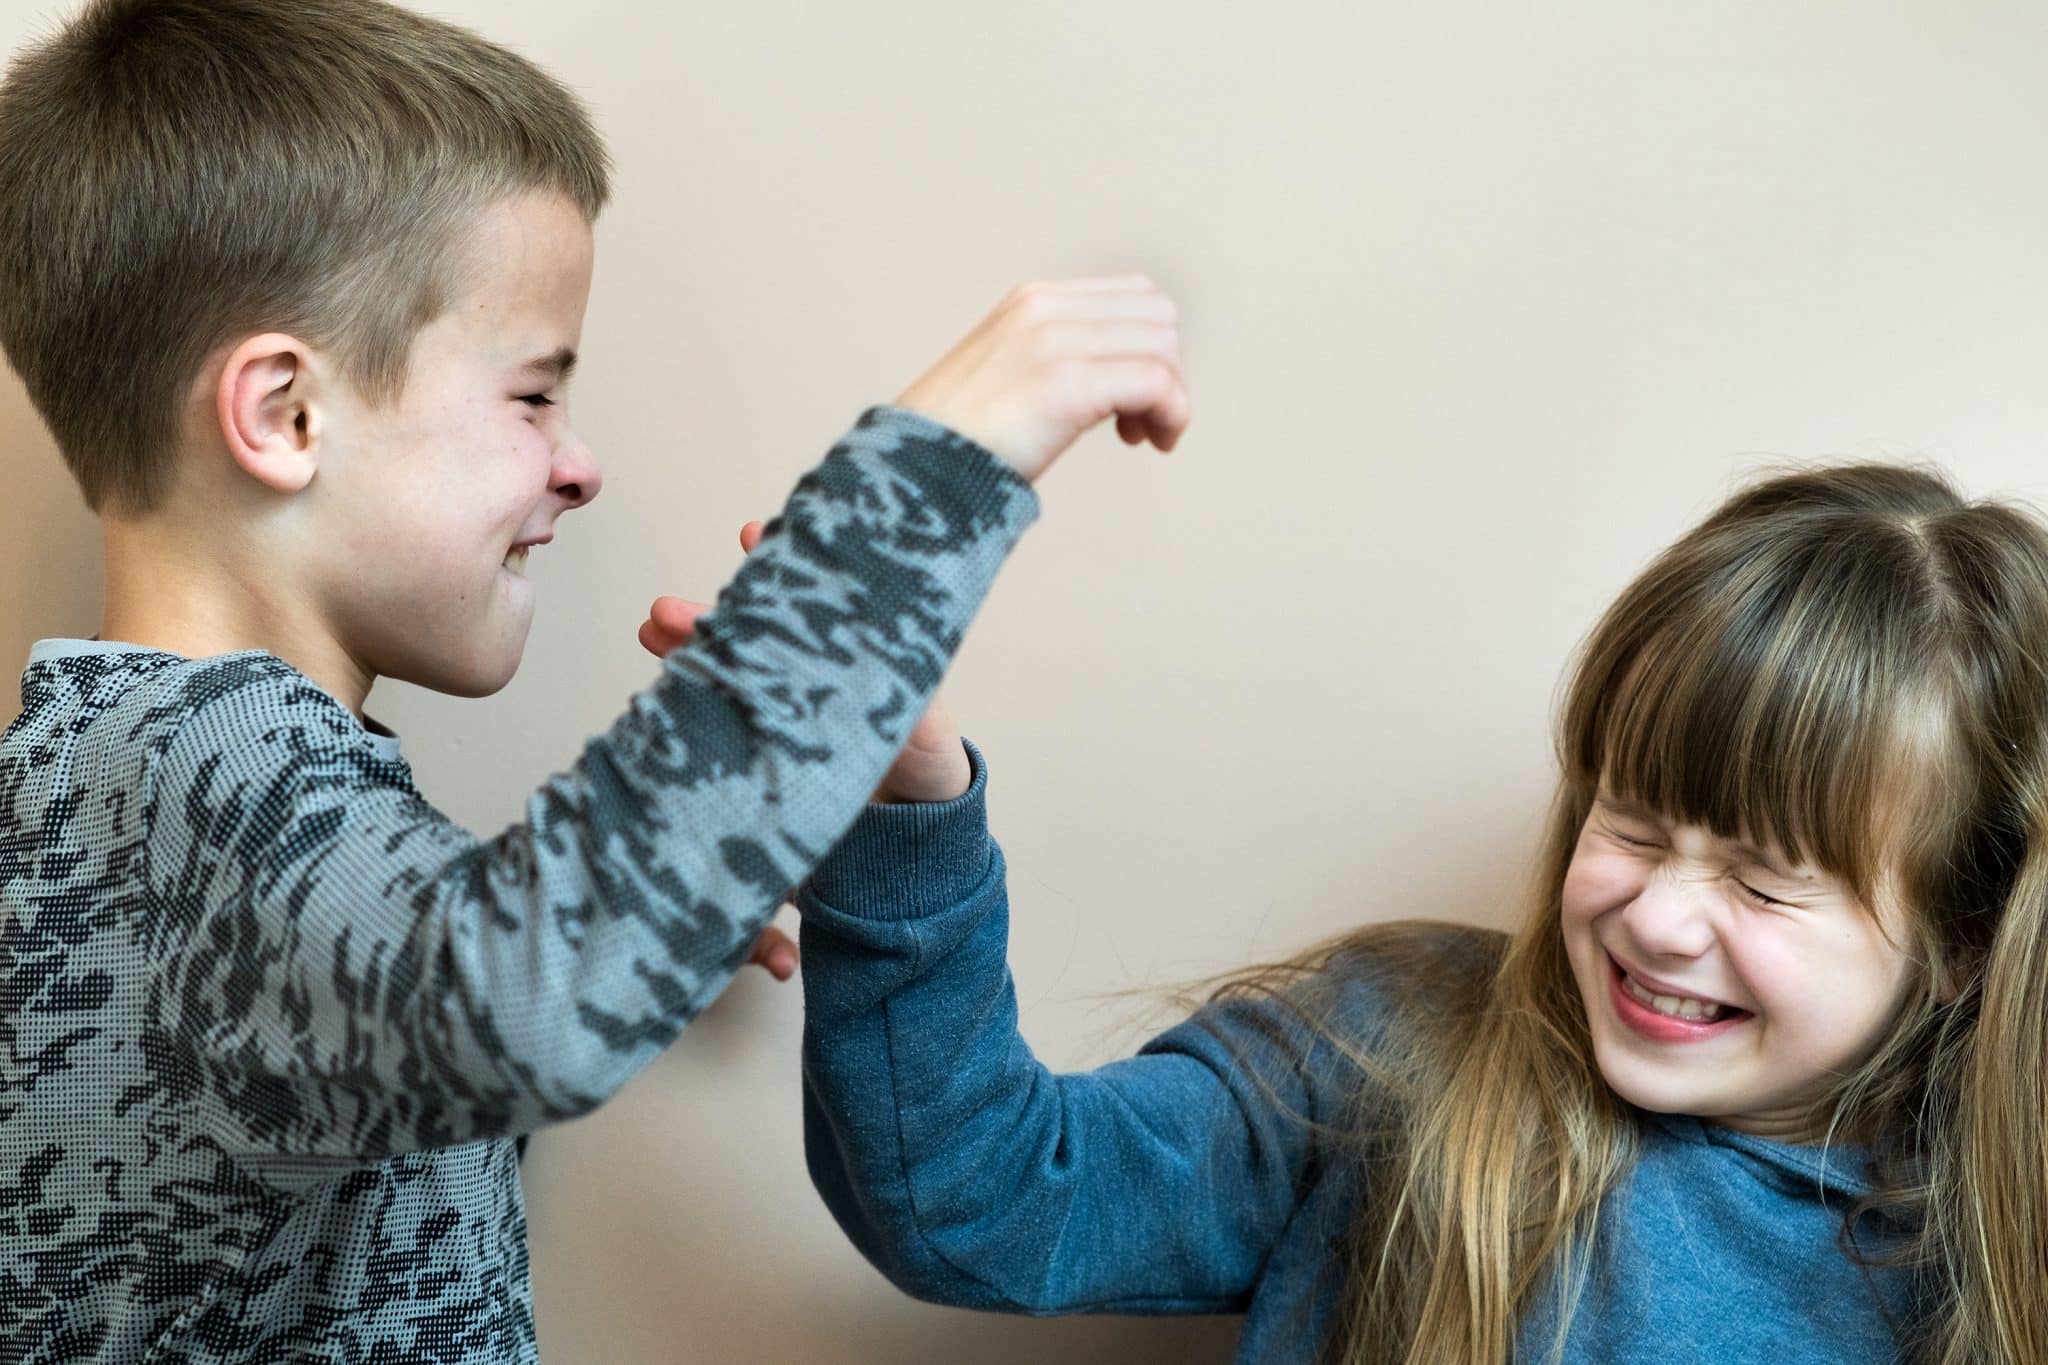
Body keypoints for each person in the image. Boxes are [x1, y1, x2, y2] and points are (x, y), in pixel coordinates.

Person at [0, 0, 1188, 1358]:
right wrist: (938, 464)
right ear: (285, 414)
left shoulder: (115, 783)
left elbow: (450, 979)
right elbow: (530, 997)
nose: (579, 461)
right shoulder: (204, 779)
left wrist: (651, 890)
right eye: (532, 394)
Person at [762, 464, 2048, 1363]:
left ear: (1957, 942)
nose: (1656, 917)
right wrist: (901, 820)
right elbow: (981, 1202)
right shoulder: (1392, 1050)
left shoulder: (1970, 1271)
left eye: (1764, 882)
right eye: (1631, 825)